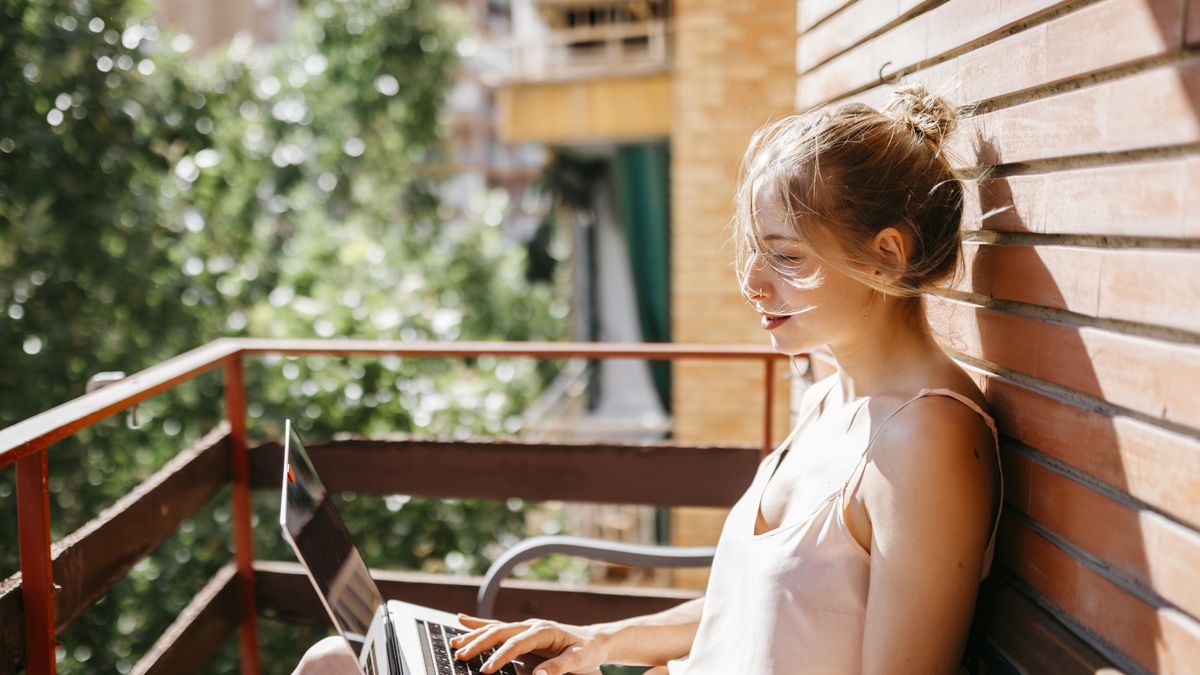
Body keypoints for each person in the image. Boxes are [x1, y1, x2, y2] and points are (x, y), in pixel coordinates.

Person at [295, 82, 1004, 675]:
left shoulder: (927, 440)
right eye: (755, 250)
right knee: (340, 656)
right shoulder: (831, 397)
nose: (753, 281)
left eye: (785, 257)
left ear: (885, 257)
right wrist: (598, 642)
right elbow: (760, 606)